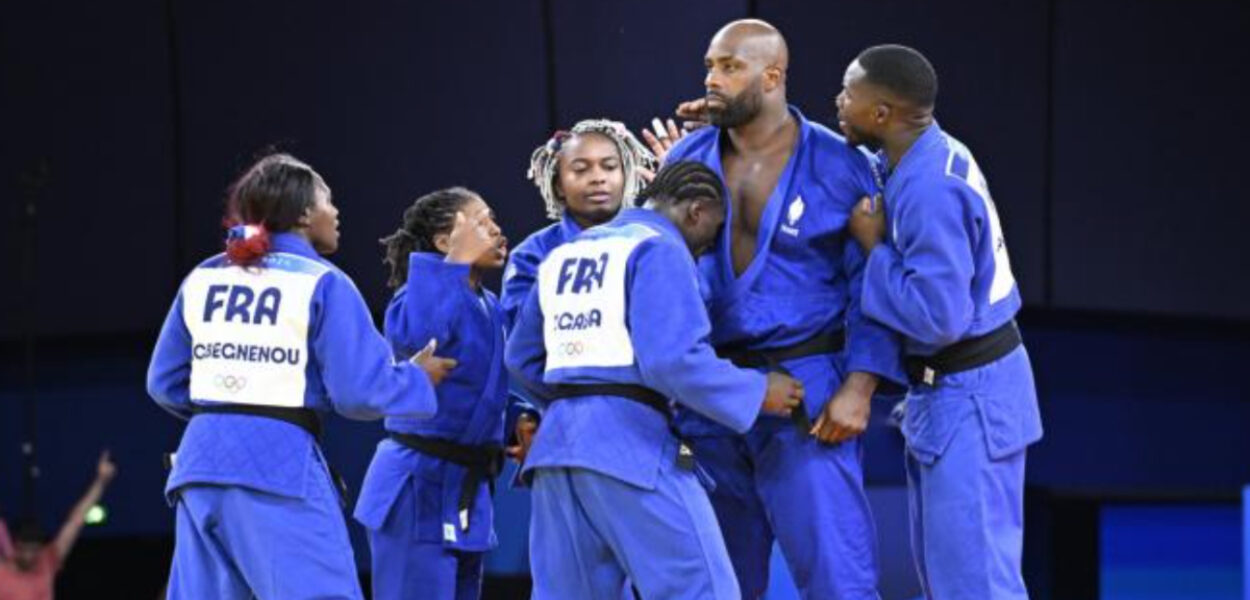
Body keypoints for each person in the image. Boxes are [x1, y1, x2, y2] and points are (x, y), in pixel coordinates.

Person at [656, 20, 904, 599]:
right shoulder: (685, 161)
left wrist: (861, 387)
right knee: (715, 585)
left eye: (728, 67)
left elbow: (872, 285)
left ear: (772, 77)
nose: (711, 79)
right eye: (710, 66)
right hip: (714, 397)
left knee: (839, 579)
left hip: (808, 392)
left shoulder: (840, 165)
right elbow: (660, 286)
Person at [146, 153, 453, 599]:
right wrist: (416, 378)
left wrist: (230, 409)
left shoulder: (205, 275)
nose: (337, 211)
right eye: (328, 200)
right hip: (277, 468)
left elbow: (164, 382)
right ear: (306, 213)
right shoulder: (323, 281)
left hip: (198, 468)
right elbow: (357, 392)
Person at [506, 161, 805, 600]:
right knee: (703, 589)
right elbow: (673, 361)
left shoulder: (565, 252)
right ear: (697, 212)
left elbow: (521, 356)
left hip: (557, 455)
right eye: (714, 232)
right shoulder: (659, 248)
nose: (709, 249)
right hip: (630, 449)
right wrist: (759, 390)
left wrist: (581, 400)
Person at [840, 44, 1043, 599]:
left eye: (848, 92)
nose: (838, 101)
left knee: (975, 584)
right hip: (952, 393)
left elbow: (939, 318)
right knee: (950, 581)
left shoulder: (930, 186)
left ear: (881, 112)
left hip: (971, 394)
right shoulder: (916, 155)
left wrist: (874, 248)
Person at [354, 187, 509, 600]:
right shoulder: (416, 293)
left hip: (465, 484)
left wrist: (520, 422)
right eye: (482, 222)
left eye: (494, 220)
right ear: (445, 241)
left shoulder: (490, 305)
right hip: (416, 483)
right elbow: (420, 338)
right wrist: (454, 263)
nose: (497, 231)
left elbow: (489, 387)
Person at [502, 119, 657, 463]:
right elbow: (523, 354)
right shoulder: (534, 256)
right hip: (572, 429)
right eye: (580, 169)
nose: (598, 177)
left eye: (609, 166)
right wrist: (577, 401)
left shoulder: (654, 243)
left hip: (656, 425)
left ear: (626, 173)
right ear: (558, 185)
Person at [0, 451, 116, 600]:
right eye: (25, 549)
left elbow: (75, 521)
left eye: (34, 549)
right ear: (15, 547)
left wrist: (100, 482)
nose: (30, 555)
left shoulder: (47, 561)